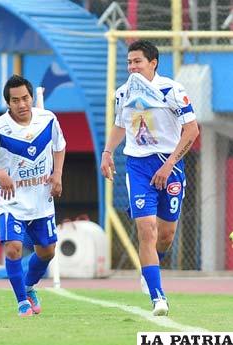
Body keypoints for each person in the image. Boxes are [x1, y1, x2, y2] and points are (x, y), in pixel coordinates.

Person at [101, 40, 199, 316]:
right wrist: (108, 152)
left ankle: (150, 269)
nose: (132, 67)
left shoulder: (172, 90)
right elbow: (121, 125)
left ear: (153, 62)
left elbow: (191, 131)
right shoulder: (123, 93)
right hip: (138, 167)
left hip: (171, 166)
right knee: (147, 230)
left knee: (165, 236)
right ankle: (158, 298)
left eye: (137, 62)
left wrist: (169, 165)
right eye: (129, 62)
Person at [0, 74, 66, 317]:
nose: (22, 104)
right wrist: (0, 174)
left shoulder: (48, 119)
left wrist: (57, 174)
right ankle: (21, 302)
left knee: (47, 251)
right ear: (8, 103)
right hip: (10, 201)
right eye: (15, 100)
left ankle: (28, 286)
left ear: (31, 97)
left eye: (25, 98)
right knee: (13, 248)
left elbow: (60, 145)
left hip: (41, 198)